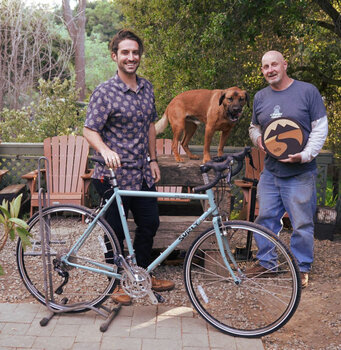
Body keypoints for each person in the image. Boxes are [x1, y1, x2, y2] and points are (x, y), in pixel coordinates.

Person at [83, 29, 174, 305]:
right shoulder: (105, 92)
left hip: (142, 172)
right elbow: (89, 130)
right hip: (112, 176)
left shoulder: (147, 88)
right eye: (125, 52)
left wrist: (153, 158)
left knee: (150, 223)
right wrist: (106, 150)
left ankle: (141, 274)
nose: (131, 57)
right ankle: (116, 285)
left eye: (135, 52)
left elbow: (149, 126)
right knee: (115, 232)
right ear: (115, 56)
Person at [248, 50, 328, 288]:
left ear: (284, 65)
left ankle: (301, 267)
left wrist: (304, 156)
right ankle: (266, 262)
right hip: (271, 172)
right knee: (265, 219)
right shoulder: (260, 97)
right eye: (265, 67)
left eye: (274, 64)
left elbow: (320, 127)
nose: (270, 70)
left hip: (301, 172)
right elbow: (254, 128)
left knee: (301, 222)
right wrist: (259, 140)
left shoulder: (307, 91)